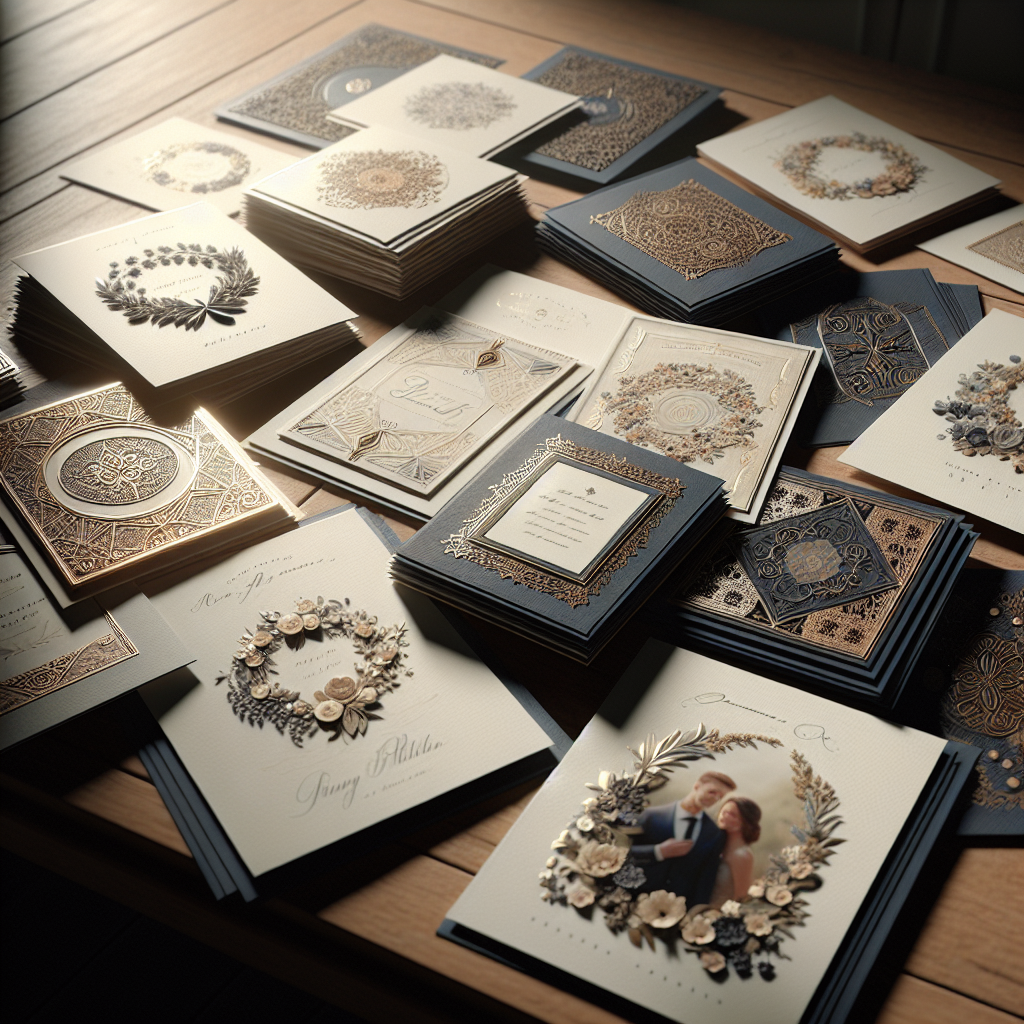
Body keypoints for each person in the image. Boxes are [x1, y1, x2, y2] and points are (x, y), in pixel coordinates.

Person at [629, 771, 735, 906]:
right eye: (712, 792)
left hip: (680, 907)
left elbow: (706, 879)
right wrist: (658, 851)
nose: (715, 799)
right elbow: (622, 853)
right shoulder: (651, 816)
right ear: (697, 786)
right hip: (637, 898)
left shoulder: (714, 833)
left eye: (720, 797)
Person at [708, 797, 762, 907]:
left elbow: (741, 897)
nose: (724, 816)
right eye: (724, 812)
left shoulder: (742, 855)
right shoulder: (718, 847)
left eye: (732, 815)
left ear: (744, 822)